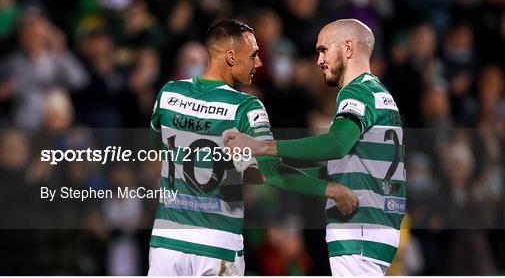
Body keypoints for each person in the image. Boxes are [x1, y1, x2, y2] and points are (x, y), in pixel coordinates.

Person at [147, 19, 358, 276]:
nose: (259, 63)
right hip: (217, 247)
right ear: (231, 56)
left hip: (165, 246)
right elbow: (270, 173)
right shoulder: (246, 108)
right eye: (254, 55)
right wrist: (330, 189)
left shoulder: (168, 94)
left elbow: (153, 156)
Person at [225, 19, 406, 276]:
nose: (319, 60)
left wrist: (262, 147)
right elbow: (335, 163)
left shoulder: (357, 92)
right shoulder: (380, 94)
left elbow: (336, 144)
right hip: (377, 224)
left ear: (348, 48)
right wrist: (267, 169)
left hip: (360, 227)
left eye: (323, 50)